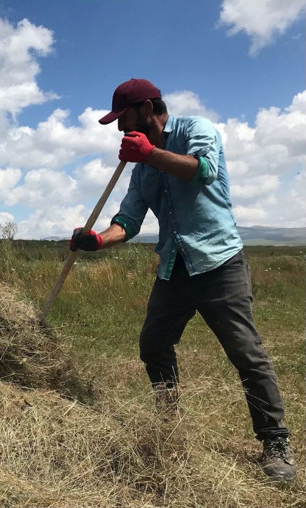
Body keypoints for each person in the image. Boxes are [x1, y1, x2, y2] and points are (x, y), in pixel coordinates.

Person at [69, 78, 296, 481]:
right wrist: (98, 240)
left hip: (218, 263)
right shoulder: (140, 168)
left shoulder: (196, 130)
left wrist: (151, 153)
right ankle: (170, 422)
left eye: (124, 118)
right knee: (153, 345)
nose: (121, 128)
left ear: (148, 107)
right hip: (174, 267)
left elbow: (202, 171)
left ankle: (275, 442)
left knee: (246, 354)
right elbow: (129, 220)